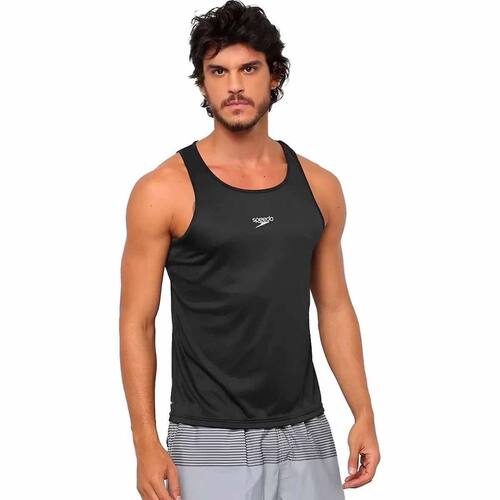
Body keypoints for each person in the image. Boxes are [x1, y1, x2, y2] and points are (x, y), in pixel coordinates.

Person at [119, 1, 380, 499]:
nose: (234, 85)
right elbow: (137, 322)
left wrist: (363, 411)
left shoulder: (320, 187)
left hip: (306, 433)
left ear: (274, 75)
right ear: (202, 84)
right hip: (206, 437)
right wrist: (144, 441)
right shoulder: (163, 190)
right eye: (218, 71)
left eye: (249, 69)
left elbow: (334, 305)